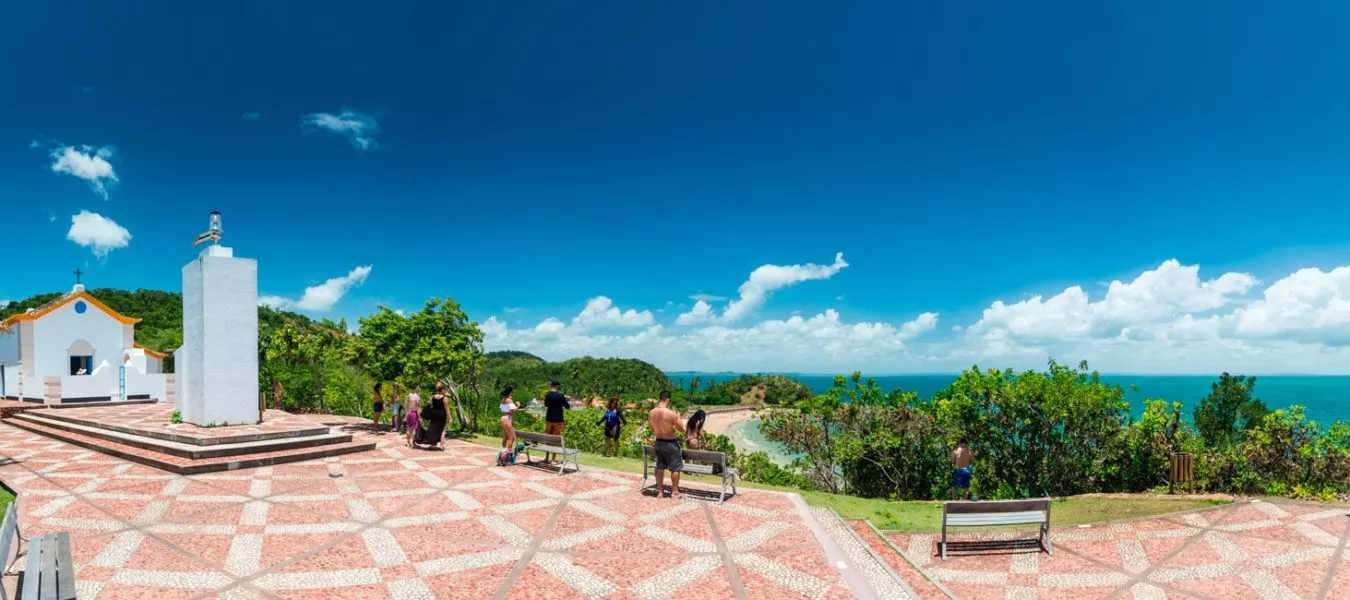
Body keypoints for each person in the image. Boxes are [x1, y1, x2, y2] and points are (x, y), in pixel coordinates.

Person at [647, 391, 685, 499]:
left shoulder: (651, 413)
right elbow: (680, 428)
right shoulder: (671, 413)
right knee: (675, 468)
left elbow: (651, 428)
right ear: (667, 400)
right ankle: (675, 492)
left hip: (658, 441)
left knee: (660, 466)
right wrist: (678, 417)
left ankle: (660, 491)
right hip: (670, 442)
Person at [417, 383, 449, 450]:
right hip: (441, 415)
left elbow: (429, 404)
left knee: (433, 429)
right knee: (442, 429)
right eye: (445, 389)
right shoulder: (445, 398)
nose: (445, 391)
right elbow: (446, 409)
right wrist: (450, 417)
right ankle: (442, 445)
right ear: (442, 390)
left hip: (434, 414)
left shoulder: (433, 396)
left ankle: (432, 444)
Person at [543, 379, 568, 463]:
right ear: (557, 386)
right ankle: (553, 458)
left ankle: (546, 458)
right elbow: (567, 406)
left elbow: (546, 404)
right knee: (555, 439)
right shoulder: (561, 396)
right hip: (558, 420)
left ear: (551, 386)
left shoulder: (548, 395)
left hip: (549, 419)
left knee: (548, 439)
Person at [499, 386, 518, 452]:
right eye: (511, 393)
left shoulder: (503, 400)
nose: (512, 394)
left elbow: (502, 411)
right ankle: (508, 454)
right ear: (509, 393)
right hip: (507, 419)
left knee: (505, 438)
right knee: (511, 438)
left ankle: (502, 453)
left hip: (502, 419)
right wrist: (518, 405)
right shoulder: (509, 400)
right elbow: (513, 412)